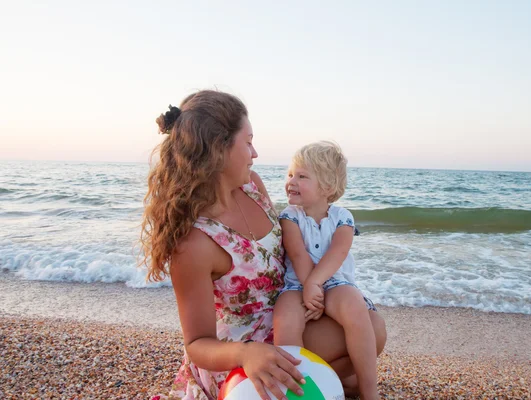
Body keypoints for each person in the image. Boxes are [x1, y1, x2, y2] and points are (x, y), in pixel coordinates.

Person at [141, 90, 386, 400]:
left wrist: (315, 288)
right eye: (248, 142)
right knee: (368, 333)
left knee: (371, 326)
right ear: (219, 149)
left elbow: (294, 249)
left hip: (287, 310)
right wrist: (247, 355)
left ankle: (325, 384)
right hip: (241, 350)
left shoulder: (252, 186)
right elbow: (197, 344)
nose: (255, 153)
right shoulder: (194, 243)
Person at [273, 141, 379, 400]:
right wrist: (308, 285)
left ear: (327, 187)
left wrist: (317, 284)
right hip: (296, 282)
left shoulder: (342, 217)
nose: (291, 181)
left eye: (302, 176)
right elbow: (297, 253)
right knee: (285, 318)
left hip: (334, 281)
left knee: (355, 306)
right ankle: (296, 389)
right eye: (290, 175)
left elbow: (338, 252)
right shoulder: (290, 216)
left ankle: (369, 391)